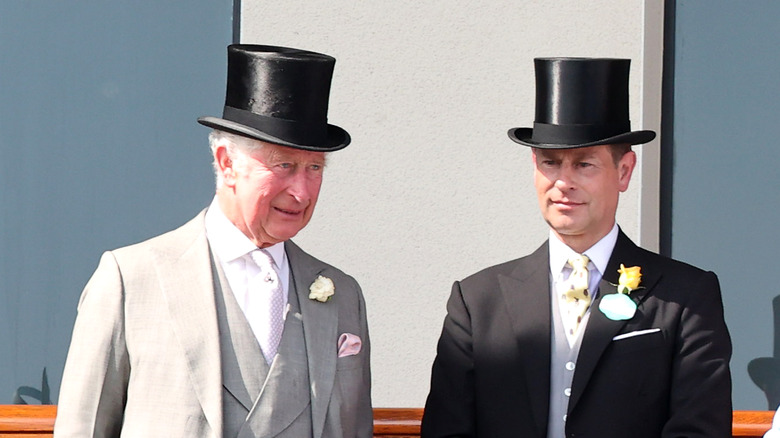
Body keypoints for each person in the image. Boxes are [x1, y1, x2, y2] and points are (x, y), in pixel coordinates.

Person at [54, 45, 372, 437]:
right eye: (284, 165)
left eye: (314, 168)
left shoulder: (343, 295)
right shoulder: (130, 280)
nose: (302, 192)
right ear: (226, 162)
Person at [421, 58, 731, 438]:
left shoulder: (687, 295)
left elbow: (698, 429)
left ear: (624, 172)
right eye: (551, 163)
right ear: (533, 167)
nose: (563, 182)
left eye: (584, 164)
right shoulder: (477, 299)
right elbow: (446, 430)